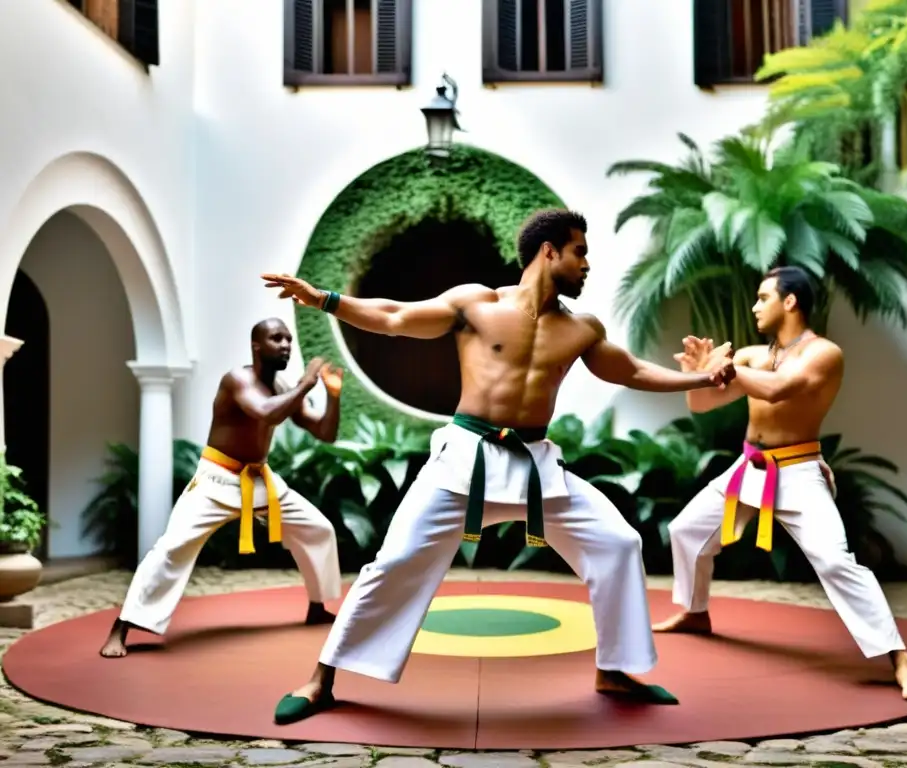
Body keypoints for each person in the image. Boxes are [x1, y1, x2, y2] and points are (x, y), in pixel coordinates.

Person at [260, 208, 736, 724]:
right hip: (464, 461)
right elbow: (395, 316)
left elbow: (635, 371)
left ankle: (615, 669)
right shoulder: (478, 304)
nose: (587, 264)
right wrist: (324, 299)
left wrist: (702, 379)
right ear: (548, 251)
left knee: (618, 544)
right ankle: (322, 678)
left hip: (536, 466)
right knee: (394, 562)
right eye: (580, 251)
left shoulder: (582, 328)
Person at [652, 266, 907, 702]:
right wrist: (701, 374)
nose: (754, 306)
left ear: (790, 302)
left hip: (799, 472)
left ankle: (901, 659)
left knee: (836, 562)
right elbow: (702, 403)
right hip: (749, 467)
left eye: (763, 297)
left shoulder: (824, 354)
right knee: (685, 531)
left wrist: (724, 369)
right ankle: (695, 612)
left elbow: (779, 389)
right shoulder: (748, 355)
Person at [99, 318, 345, 658]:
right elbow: (266, 414)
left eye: (289, 339)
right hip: (217, 479)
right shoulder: (237, 379)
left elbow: (324, 432)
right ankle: (123, 625)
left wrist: (332, 396)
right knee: (171, 548)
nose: (286, 344)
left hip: (261, 479)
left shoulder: (284, 385)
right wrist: (305, 384)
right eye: (277, 338)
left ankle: (317, 606)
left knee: (318, 529)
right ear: (256, 346)